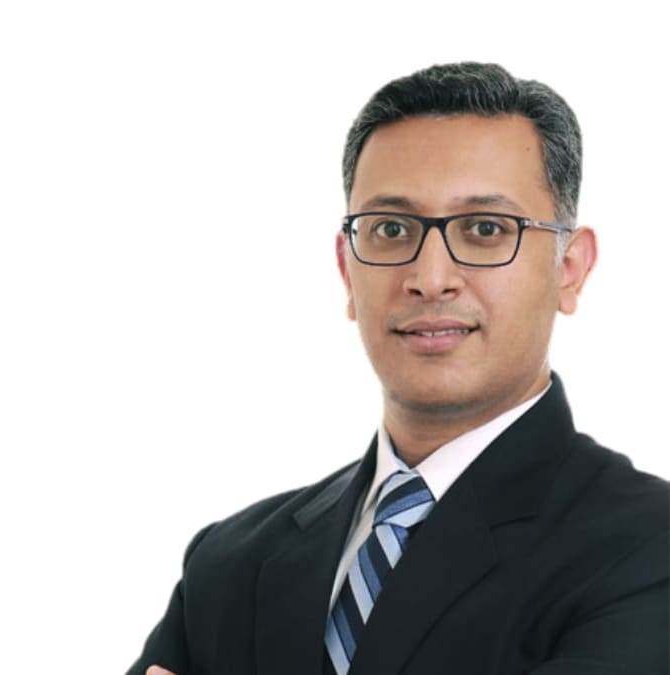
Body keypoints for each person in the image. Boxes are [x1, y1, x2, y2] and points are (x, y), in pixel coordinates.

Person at [127, 62, 669, 675]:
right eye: (390, 229)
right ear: (346, 270)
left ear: (569, 268)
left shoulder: (648, 548)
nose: (430, 279)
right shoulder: (229, 564)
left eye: (485, 229)